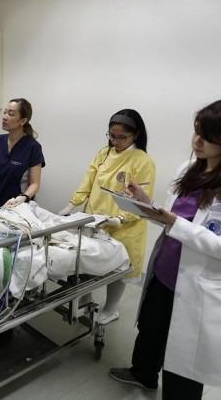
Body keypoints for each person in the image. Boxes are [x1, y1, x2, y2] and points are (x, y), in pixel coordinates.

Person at [109, 97, 221, 398]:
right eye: (197, 131)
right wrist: (146, 202)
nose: (197, 140)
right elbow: (174, 216)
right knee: (150, 333)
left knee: (183, 364)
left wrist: (175, 223)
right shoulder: (190, 168)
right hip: (164, 272)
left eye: (207, 135)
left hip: (199, 285)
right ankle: (142, 375)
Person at [58, 109, 155, 324]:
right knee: (88, 261)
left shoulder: (142, 161)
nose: (116, 141)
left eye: (122, 137)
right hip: (96, 217)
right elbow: (88, 181)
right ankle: (85, 296)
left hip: (126, 226)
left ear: (135, 135)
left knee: (118, 269)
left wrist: (119, 219)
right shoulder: (104, 153)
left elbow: (142, 201)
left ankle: (111, 308)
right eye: (112, 135)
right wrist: (71, 204)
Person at [0, 98, 45, 212]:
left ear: (23, 121)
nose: (5, 117)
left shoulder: (33, 147)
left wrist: (23, 197)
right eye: (5, 112)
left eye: (11, 114)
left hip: (19, 209)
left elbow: (35, 184)